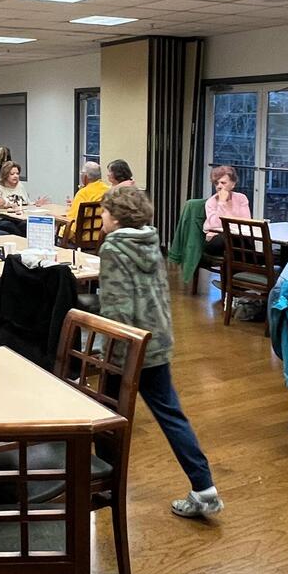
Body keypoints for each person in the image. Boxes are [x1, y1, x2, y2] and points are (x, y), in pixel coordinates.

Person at [98, 186, 223, 519]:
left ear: (116, 216)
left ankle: (102, 483)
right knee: (170, 414)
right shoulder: (149, 240)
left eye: (104, 212)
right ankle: (204, 487)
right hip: (157, 339)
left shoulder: (114, 247)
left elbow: (117, 308)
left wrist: (111, 351)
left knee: (104, 415)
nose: (101, 218)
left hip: (128, 346)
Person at [201, 165, 251, 256]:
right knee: (229, 239)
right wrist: (221, 202)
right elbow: (215, 224)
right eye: (216, 183)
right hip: (216, 240)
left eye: (223, 183)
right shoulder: (211, 202)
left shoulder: (241, 198)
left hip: (237, 238)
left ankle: (271, 261)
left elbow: (246, 222)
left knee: (245, 243)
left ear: (233, 184)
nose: (219, 186)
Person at [61, 161, 110, 243]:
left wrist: (60, 234)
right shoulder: (109, 191)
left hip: (82, 240)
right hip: (102, 239)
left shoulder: (83, 194)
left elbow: (73, 224)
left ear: (85, 177)